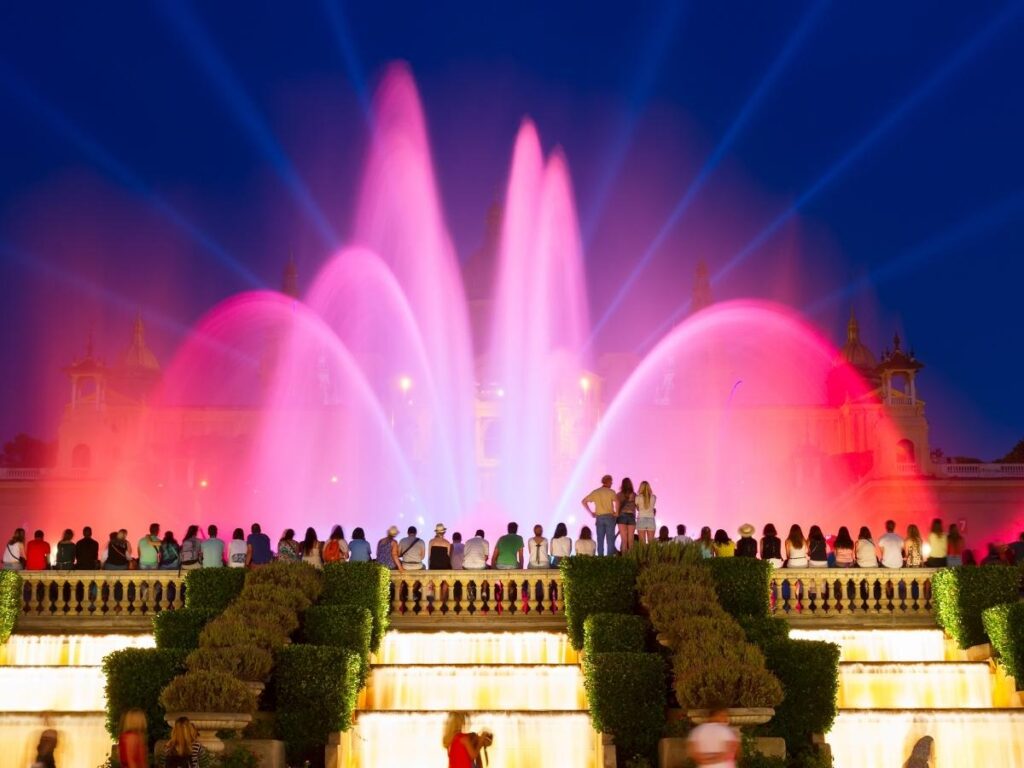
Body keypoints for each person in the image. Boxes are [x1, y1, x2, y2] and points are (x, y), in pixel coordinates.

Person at [581, 474, 618, 556]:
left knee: (600, 539)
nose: (611, 484)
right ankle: (609, 559)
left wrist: (591, 513)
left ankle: (600, 559)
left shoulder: (596, 492)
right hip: (609, 517)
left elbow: (583, 501)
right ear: (608, 482)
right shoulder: (611, 492)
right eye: (611, 482)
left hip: (599, 517)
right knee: (610, 540)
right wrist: (617, 513)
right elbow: (617, 502)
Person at [615, 477, 638, 554]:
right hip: (631, 516)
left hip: (622, 517)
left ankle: (625, 561)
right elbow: (637, 507)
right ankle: (631, 559)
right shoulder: (634, 495)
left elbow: (617, 508)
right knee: (631, 541)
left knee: (624, 541)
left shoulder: (618, 495)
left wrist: (616, 516)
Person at [635, 480, 657, 545]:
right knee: (651, 543)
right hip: (651, 519)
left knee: (642, 544)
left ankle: (644, 555)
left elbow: (638, 509)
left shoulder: (637, 497)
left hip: (641, 518)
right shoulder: (654, 497)